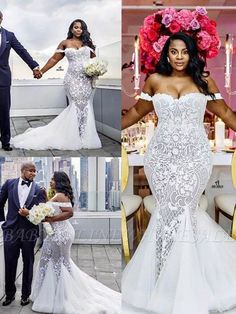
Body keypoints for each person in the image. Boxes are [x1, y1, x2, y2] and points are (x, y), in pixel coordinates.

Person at [122, 31, 236, 314]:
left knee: (184, 211)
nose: (180, 57)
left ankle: (187, 284)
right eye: (174, 52)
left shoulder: (203, 81)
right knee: (166, 213)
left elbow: (226, 113)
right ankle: (163, 278)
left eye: (185, 52)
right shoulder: (155, 80)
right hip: (160, 159)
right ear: (167, 53)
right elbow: (137, 112)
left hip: (194, 159)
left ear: (192, 53)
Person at [30, 171, 121, 314]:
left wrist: (49, 219)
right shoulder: (60, 194)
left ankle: (62, 296)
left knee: (56, 263)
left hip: (59, 234)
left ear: (59, 181)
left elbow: (69, 212)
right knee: (55, 262)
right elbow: (56, 208)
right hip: (60, 233)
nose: (50, 181)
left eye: (53, 179)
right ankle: (55, 293)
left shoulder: (60, 195)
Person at [11, 19, 102, 150]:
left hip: (86, 80)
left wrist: (97, 70)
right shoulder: (65, 43)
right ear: (71, 29)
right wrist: (41, 71)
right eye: (75, 27)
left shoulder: (88, 43)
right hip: (72, 80)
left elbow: (94, 61)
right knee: (76, 105)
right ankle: (73, 136)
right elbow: (54, 59)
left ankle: (84, 136)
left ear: (83, 30)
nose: (78, 29)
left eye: (81, 28)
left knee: (86, 106)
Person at [0, 162, 46, 307]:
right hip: (10, 232)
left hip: (29, 232)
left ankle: (25, 295)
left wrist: (29, 214)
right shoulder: (9, 183)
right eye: (31, 171)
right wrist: (2, 223)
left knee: (28, 263)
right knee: (10, 264)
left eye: (35, 171)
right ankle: (9, 295)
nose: (33, 173)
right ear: (23, 171)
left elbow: (42, 212)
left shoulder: (39, 189)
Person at [0, 10, 42, 151]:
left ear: (1, 18)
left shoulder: (9, 36)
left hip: (3, 79)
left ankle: (5, 141)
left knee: (4, 111)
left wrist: (34, 66)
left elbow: (22, 51)